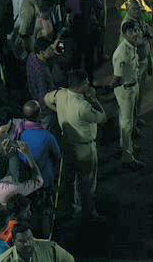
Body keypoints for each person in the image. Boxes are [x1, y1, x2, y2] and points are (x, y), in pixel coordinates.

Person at [45, 69, 107, 221]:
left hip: (67, 144)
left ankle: (72, 208)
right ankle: (89, 213)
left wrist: (57, 110)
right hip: (84, 148)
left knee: (69, 179)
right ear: (81, 85)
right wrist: (94, 99)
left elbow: (46, 99)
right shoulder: (83, 106)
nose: (88, 84)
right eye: (86, 82)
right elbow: (102, 117)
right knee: (87, 182)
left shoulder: (60, 94)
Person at [112, 20, 146, 169]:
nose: (136, 33)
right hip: (126, 89)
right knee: (126, 124)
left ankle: (126, 146)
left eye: (137, 30)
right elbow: (117, 78)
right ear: (124, 34)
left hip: (132, 86)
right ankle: (127, 157)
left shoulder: (131, 46)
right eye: (132, 31)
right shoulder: (122, 52)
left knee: (127, 120)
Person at [0, 227, 76, 262]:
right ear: (14, 241)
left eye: (30, 238)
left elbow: (69, 259)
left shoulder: (50, 249)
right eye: (22, 241)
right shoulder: (4, 260)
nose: (27, 243)